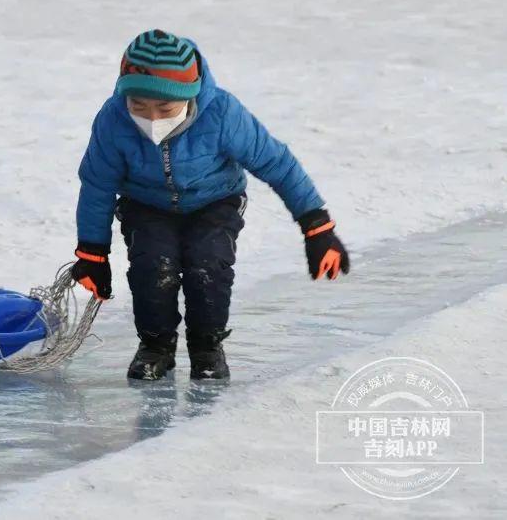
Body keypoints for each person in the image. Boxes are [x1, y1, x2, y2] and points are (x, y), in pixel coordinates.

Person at [70, 29, 350, 381]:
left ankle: (207, 348)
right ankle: (156, 347)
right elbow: (97, 184)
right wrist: (92, 253)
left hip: (215, 200)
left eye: (165, 108)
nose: (152, 119)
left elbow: (277, 163)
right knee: (152, 267)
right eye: (139, 106)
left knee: (209, 265)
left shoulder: (222, 114)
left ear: (189, 95)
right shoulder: (113, 120)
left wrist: (316, 226)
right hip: (146, 203)